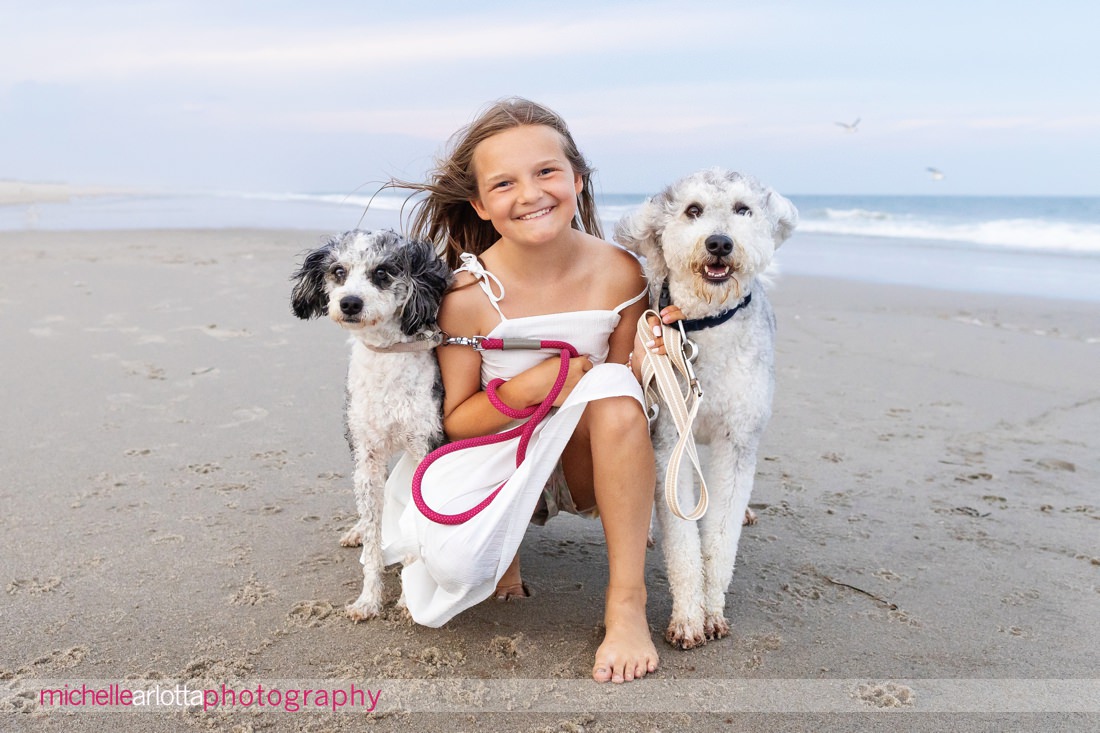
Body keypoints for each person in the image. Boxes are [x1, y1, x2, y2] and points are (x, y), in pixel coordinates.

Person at [380, 97, 676, 684]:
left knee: (617, 388)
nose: (530, 194)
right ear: (482, 205)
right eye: (505, 183)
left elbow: (624, 409)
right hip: (499, 460)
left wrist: (645, 357)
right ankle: (505, 544)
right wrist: (528, 389)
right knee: (459, 570)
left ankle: (625, 605)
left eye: (546, 172)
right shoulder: (466, 295)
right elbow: (456, 423)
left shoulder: (623, 273)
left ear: (577, 179)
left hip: (588, 461)